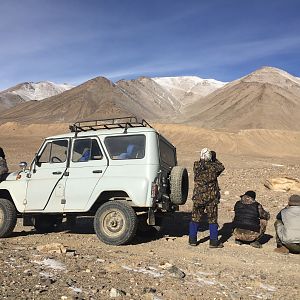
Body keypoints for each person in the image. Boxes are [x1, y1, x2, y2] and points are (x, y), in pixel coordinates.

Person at [189, 148, 225, 248]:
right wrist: (214, 159)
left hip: (198, 197)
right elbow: (221, 167)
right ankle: (213, 242)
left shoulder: (196, 165)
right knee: (212, 219)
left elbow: (202, 163)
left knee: (195, 218)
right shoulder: (213, 167)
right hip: (211, 198)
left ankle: (192, 240)